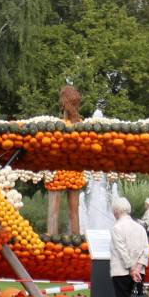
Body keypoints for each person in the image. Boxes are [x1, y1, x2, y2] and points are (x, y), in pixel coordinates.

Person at [110, 196, 149, 297]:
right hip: (139, 272)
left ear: (116, 212)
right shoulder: (140, 228)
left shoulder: (117, 228)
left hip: (122, 271)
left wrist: (131, 268)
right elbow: (146, 249)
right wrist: (139, 267)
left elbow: (122, 251)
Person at [47, 85, 85, 235]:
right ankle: (76, 241)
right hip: (74, 170)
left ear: (63, 103)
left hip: (58, 171)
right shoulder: (81, 125)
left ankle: (51, 240)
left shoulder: (58, 125)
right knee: (74, 212)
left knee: (54, 211)